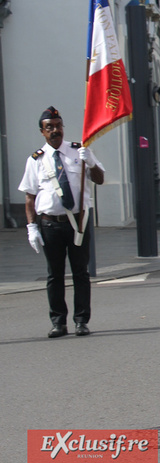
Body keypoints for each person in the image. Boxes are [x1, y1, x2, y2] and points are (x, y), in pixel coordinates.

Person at [18, 106, 105, 338]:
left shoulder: (80, 151)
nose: (55, 130)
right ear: (42, 131)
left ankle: (81, 321)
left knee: (80, 272)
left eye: (58, 126)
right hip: (50, 224)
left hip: (78, 222)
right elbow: (29, 197)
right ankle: (58, 322)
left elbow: (100, 179)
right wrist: (31, 227)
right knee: (54, 274)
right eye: (50, 127)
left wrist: (92, 162)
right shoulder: (36, 159)